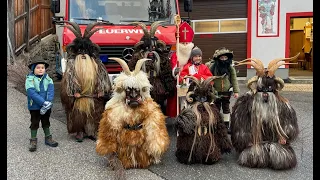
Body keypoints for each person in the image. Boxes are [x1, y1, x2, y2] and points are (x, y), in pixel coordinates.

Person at [25, 56, 58, 152]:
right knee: (35, 122)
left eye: (42, 68)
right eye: (38, 68)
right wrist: (43, 102)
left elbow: (51, 91)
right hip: (35, 106)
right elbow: (32, 93)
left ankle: (48, 137)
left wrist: (48, 101)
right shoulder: (29, 79)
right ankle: (33, 140)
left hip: (46, 106)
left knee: (46, 121)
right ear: (33, 69)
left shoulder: (48, 79)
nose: (40, 70)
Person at [166, 21, 195, 118]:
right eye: (183, 42)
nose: (185, 44)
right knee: (177, 102)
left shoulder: (192, 52)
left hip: (189, 79)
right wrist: (176, 71)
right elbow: (173, 65)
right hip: (177, 81)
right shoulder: (176, 54)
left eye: (187, 42)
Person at [209, 47, 240, 133]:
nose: (223, 59)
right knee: (216, 108)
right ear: (218, 58)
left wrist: (236, 91)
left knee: (226, 108)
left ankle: (226, 125)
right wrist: (212, 90)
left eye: (225, 58)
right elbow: (209, 78)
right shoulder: (213, 67)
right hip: (216, 92)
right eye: (221, 58)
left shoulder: (230, 68)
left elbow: (234, 79)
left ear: (228, 58)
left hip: (227, 92)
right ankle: (216, 125)